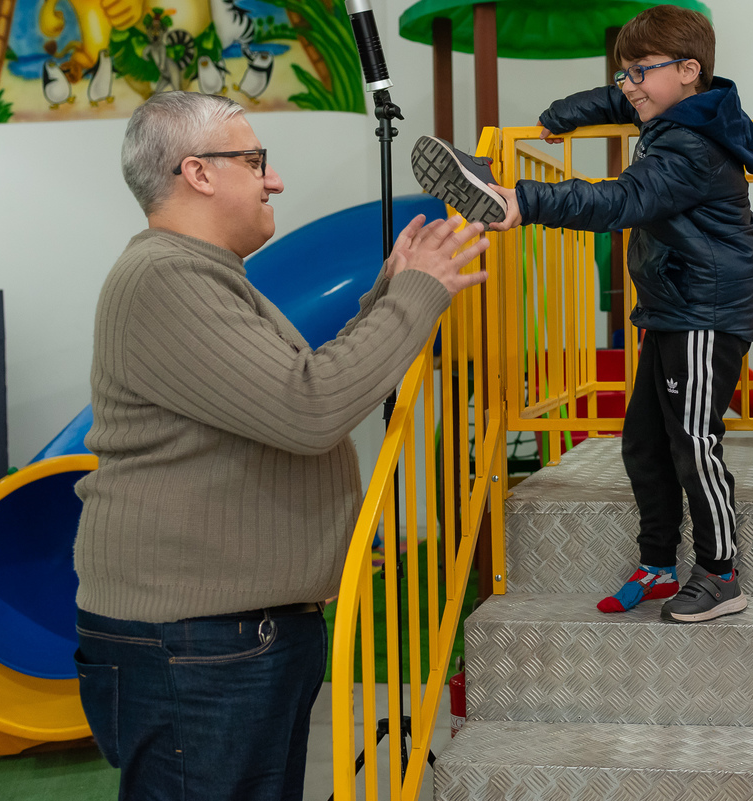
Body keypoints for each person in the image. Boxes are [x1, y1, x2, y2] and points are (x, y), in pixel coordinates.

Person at [71, 91, 488, 801]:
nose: (275, 180)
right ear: (197, 173)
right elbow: (308, 405)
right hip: (196, 644)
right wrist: (415, 297)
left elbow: (280, 390)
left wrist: (391, 293)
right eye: (256, 161)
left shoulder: (207, 278)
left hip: (224, 638)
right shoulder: (167, 277)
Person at [411, 4, 753, 624]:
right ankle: (657, 562)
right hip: (672, 306)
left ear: (689, 70)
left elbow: (623, 199)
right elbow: (621, 99)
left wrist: (524, 200)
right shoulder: (680, 107)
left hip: (706, 311)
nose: (629, 88)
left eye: (639, 75)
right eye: (623, 76)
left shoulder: (691, 144)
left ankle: (719, 573)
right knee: (644, 445)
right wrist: (563, 115)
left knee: (693, 443)